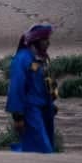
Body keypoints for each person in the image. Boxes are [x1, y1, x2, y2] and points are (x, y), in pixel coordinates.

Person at [5, 23, 57, 153]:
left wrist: (52, 102)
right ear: (36, 41)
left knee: (46, 143)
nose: (48, 43)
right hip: (30, 111)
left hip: (45, 109)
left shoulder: (43, 57)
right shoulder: (22, 59)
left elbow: (48, 80)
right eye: (45, 40)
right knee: (42, 149)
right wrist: (17, 117)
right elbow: (16, 88)